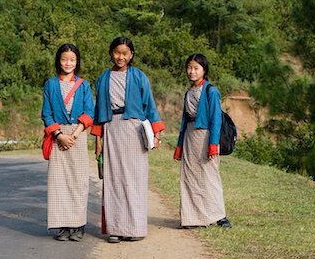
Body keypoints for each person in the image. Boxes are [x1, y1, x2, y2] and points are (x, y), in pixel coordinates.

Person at [91, 36, 165, 243]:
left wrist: (157, 133)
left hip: (133, 129)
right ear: (111, 53)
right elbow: (98, 112)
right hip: (111, 129)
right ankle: (114, 228)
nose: (120, 57)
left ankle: (134, 228)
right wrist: (98, 141)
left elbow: (149, 105)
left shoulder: (140, 77)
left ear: (131, 55)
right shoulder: (103, 78)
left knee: (134, 179)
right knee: (113, 180)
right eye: (117, 52)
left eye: (125, 53)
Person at [41, 43, 95, 241]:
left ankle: (78, 225)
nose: (68, 63)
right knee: (59, 182)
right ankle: (62, 226)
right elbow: (46, 114)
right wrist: (59, 135)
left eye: (72, 59)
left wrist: (75, 133)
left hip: (77, 136)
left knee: (78, 181)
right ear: (58, 60)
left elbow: (90, 112)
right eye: (64, 59)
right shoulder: (50, 84)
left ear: (77, 61)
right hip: (58, 136)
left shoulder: (84, 85)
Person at [173, 53, 232, 229]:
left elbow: (216, 119)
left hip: (206, 137)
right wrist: (179, 145)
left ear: (204, 70)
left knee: (209, 176)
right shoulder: (188, 92)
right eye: (189, 68)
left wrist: (213, 144)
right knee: (189, 177)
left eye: (196, 68)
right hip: (190, 137)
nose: (192, 71)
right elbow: (185, 121)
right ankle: (193, 218)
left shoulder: (210, 91)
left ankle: (220, 216)